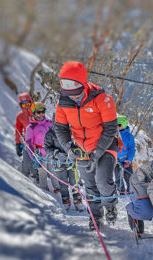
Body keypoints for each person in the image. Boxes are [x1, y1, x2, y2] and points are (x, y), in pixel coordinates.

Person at [53, 61, 118, 230]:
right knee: (90, 185)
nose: (73, 96)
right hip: (81, 149)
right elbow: (60, 128)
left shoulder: (102, 99)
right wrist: (69, 148)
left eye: (76, 92)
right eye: (69, 93)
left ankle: (110, 205)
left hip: (105, 146)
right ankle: (96, 215)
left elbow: (111, 128)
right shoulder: (63, 103)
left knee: (102, 181)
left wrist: (98, 151)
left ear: (83, 83)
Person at [44, 113, 75, 211]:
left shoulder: (71, 131)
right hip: (59, 161)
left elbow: (77, 143)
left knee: (74, 180)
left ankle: (78, 199)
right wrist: (56, 153)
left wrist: (74, 153)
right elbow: (47, 147)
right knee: (63, 181)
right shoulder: (50, 133)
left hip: (71, 160)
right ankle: (65, 200)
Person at [25, 102, 54, 191]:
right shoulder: (31, 127)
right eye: (38, 112)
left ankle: (58, 189)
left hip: (51, 151)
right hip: (40, 152)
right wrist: (34, 156)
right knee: (42, 172)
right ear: (34, 112)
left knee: (54, 171)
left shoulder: (49, 122)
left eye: (43, 111)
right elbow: (29, 144)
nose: (41, 114)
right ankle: (44, 188)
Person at [14, 92, 37, 178]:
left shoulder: (36, 112)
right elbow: (18, 130)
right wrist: (17, 143)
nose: (26, 106)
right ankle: (25, 175)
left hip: (38, 140)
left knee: (36, 158)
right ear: (21, 105)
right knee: (27, 157)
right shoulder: (20, 116)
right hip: (27, 140)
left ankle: (36, 175)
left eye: (28, 103)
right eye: (24, 105)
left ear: (31, 102)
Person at [115, 115, 136, 193]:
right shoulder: (114, 134)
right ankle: (121, 190)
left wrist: (129, 160)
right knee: (117, 176)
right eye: (116, 125)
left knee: (128, 176)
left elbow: (132, 149)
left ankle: (131, 189)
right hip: (116, 159)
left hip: (125, 159)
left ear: (123, 125)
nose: (117, 126)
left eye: (119, 125)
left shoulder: (129, 136)